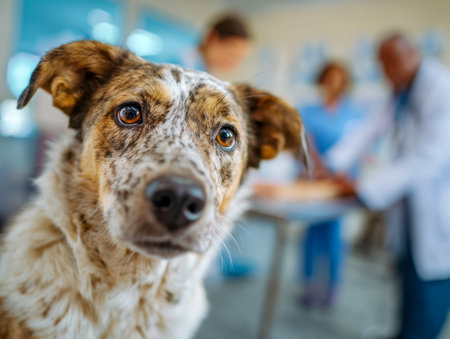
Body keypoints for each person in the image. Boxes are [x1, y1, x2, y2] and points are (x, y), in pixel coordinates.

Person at [327, 34, 450, 338]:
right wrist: (332, 164)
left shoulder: (441, 88)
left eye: (387, 64)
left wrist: (363, 187)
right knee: (408, 284)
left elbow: (427, 159)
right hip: (409, 213)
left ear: (409, 55)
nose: (384, 73)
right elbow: (369, 130)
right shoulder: (400, 92)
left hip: (438, 214)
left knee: (428, 294)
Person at [299, 61, 362, 308]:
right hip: (314, 179)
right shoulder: (309, 111)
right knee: (312, 233)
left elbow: (358, 148)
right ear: (322, 80)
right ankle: (309, 286)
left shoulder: (354, 115)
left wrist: (337, 171)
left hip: (340, 183)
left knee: (335, 235)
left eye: (339, 78)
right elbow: (303, 142)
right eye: (329, 77)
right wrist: (315, 166)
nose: (333, 83)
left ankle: (332, 288)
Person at [181, 13, 252, 78]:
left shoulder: (207, 74)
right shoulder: (180, 59)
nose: (233, 63)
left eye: (238, 58)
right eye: (231, 54)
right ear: (211, 38)